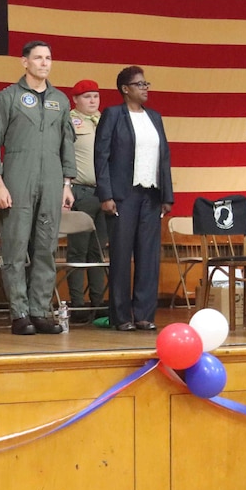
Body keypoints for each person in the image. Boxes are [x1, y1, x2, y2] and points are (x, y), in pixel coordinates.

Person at [0, 39, 76, 336]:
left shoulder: (60, 100)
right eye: (38, 58)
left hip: (51, 176)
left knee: (47, 248)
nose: (44, 63)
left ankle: (40, 310)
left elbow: (67, 143)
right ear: (24, 62)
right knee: (16, 246)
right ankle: (19, 313)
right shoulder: (8, 97)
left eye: (48, 58)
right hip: (17, 176)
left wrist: (67, 183)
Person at [95, 66, 174, 331]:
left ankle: (144, 314)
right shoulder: (113, 114)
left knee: (148, 256)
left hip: (151, 195)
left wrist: (167, 195)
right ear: (125, 89)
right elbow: (102, 156)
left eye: (146, 83)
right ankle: (121, 316)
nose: (145, 88)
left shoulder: (155, 117)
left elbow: (164, 157)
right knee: (121, 255)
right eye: (139, 84)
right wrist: (105, 194)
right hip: (123, 195)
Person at [67, 78, 108, 322]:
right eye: (87, 97)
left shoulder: (104, 121)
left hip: (102, 193)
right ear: (76, 100)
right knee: (78, 250)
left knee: (98, 251)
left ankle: (97, 301)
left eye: (95, 96)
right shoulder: (70, 121)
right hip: (80, 190)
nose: (92, 101)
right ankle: (77, 304)